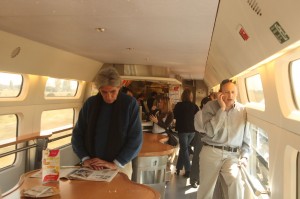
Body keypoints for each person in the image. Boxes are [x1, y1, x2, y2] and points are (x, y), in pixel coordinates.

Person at [71, 66, 143, 179]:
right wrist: (85, 159)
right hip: (92, 166)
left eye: (113, 91)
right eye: (104, 92)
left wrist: (115, 163)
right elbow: (77, 135)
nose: (108, 97)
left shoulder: (129, 104)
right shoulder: (90, 104)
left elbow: (136, 138)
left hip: (120, 165)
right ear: (99, 89)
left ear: (119, 87)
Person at [197, 79, 251, 199]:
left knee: (236, 183)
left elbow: (246, 140)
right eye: (227, 92)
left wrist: (245, 156)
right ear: (220, 93)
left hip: (232, 155)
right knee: (206, 190)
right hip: (211, 152)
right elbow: (210, 132)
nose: (230, 95)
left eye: (233, 92)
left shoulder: (242, 111)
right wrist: (221, 109)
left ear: (236, 93)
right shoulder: (209, 107)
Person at [173, 88, 199, 177]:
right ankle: (178, 168)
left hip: (182, 130)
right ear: (191, 96)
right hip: (192, 131)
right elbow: (197, 118)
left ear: (182, 96)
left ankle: (188, 170)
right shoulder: (194, 106)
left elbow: (175, 116)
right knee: (184, 149)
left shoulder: (178, 105)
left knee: (184, 149)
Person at [189, 95, 212, 188]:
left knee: (206, 159)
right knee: (197, 158)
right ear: (204, 104)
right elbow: (204, 127)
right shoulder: (199, 113)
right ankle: (193, 179)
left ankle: (200, 179)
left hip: (209, 137)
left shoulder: (210, 114)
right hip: (200, 136)